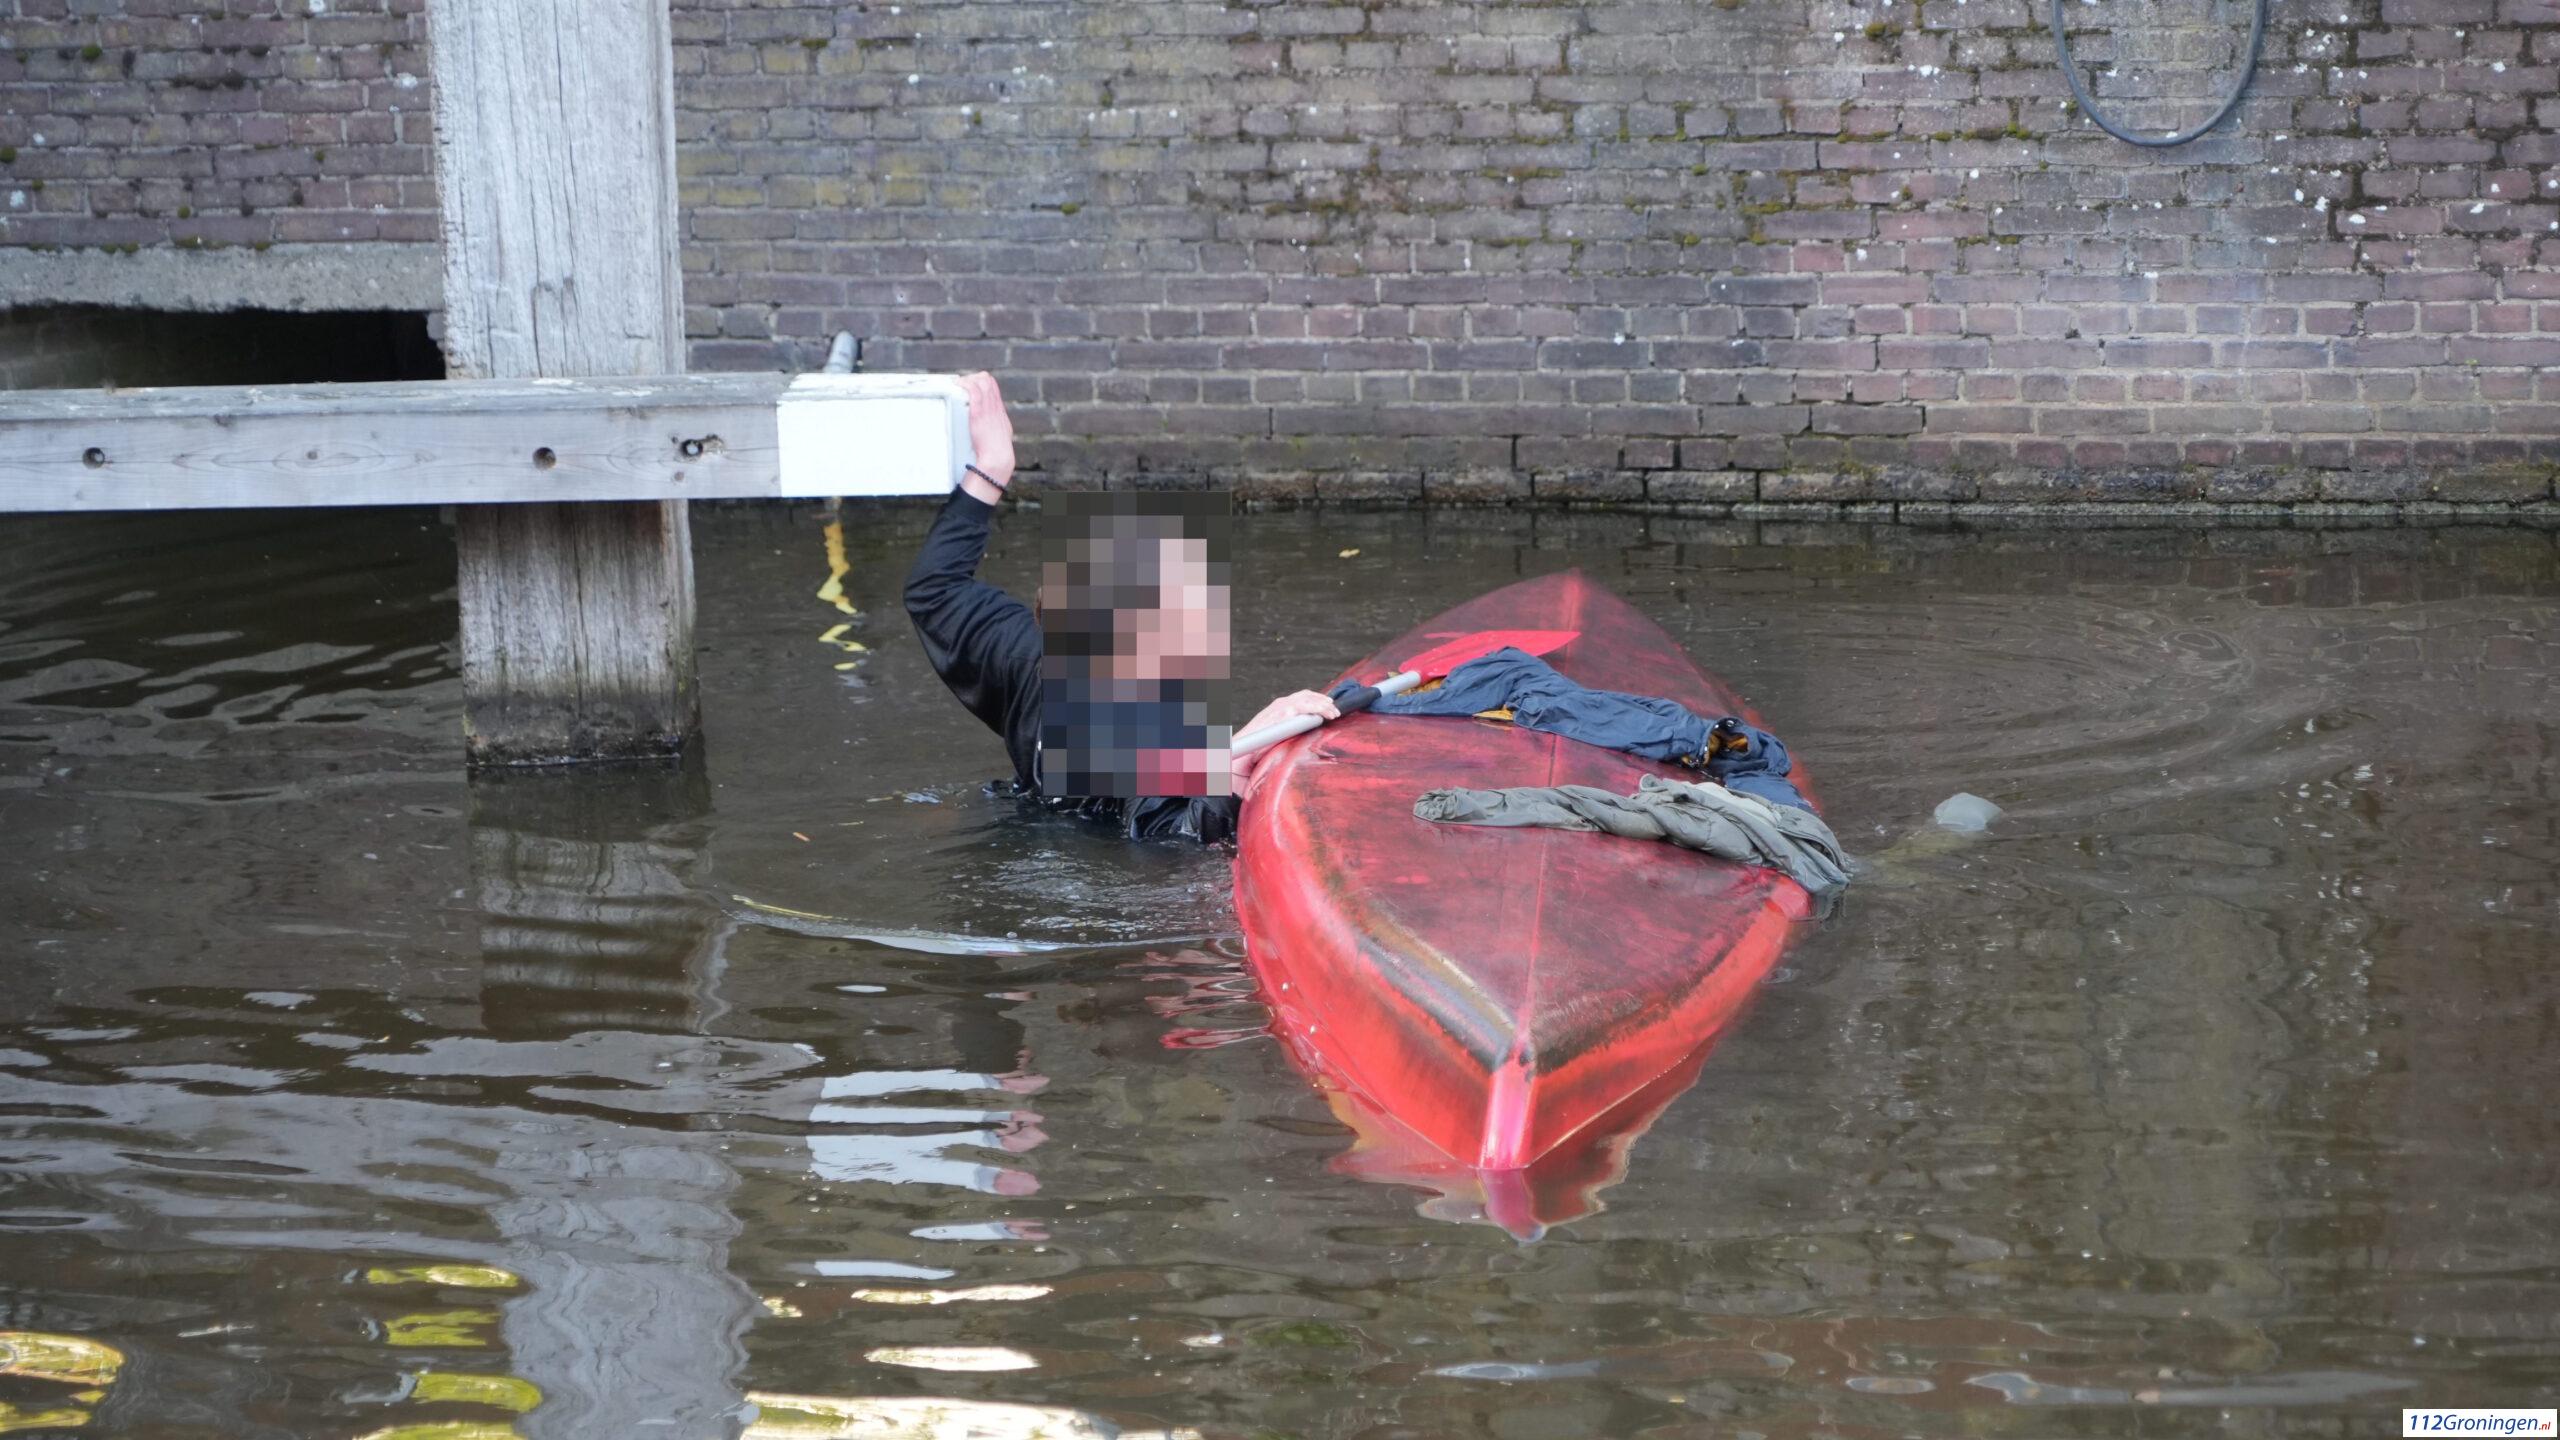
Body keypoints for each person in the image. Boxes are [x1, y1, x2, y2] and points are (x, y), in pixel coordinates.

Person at [903, 372, 1337, 844]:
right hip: (1087, 869)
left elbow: (934, 591)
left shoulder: (1029, 658)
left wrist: (993, 469)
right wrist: (1240, 754)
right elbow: (1169, 835)